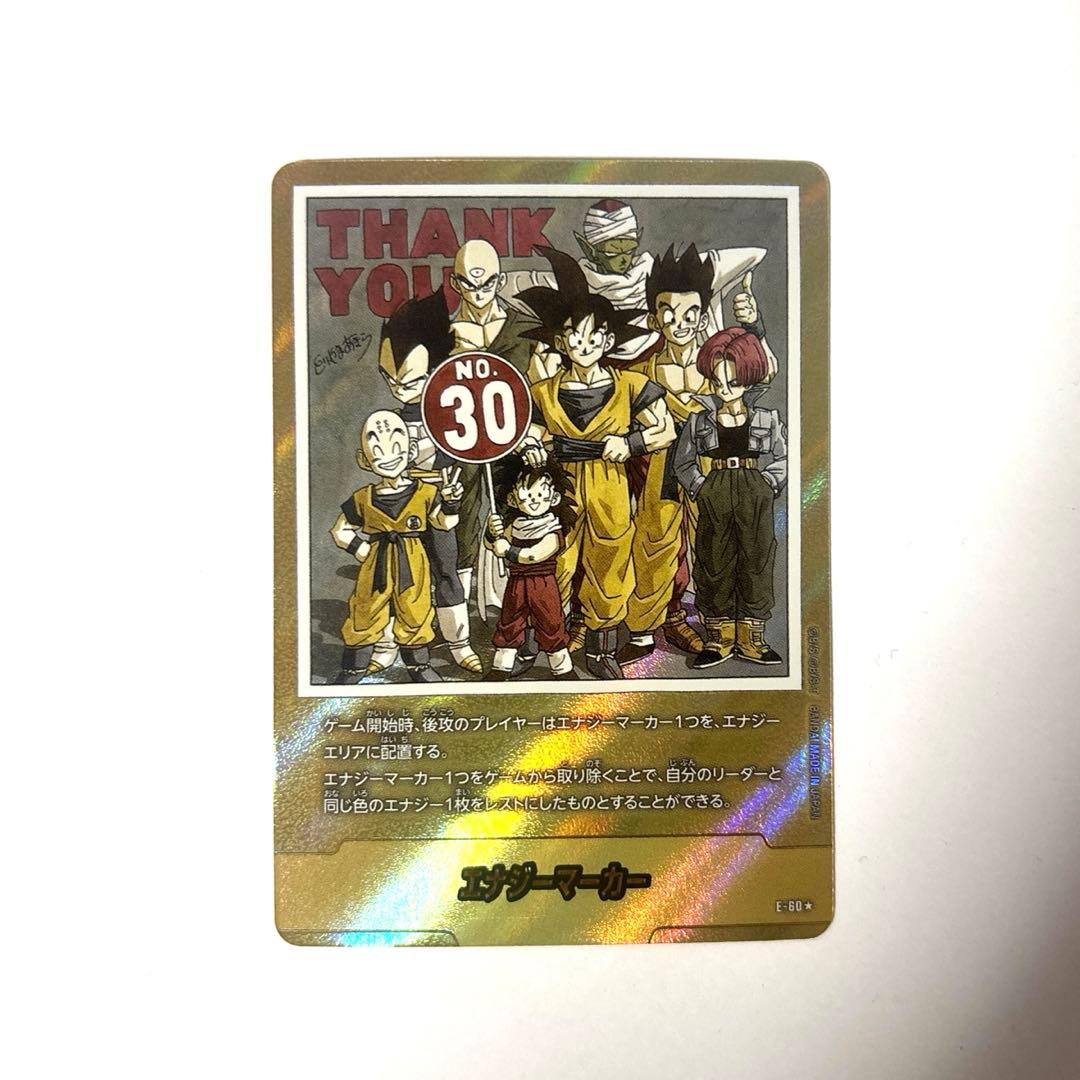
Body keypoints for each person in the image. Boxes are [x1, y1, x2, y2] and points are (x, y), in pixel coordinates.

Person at [515, 247, 674, 679]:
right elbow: (527, 433)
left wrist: (632, 441)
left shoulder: (632, 385)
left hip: (609, 484)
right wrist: (532, 445)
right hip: (558, 488)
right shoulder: (542, 391)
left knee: (610, 561)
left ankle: (601, 650)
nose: (583, 345)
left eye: (593, 337)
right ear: (560, 342)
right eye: (574, 336)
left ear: (608, 341)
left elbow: (665, 430)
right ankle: (542, 643)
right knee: (554, 563)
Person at [621, 244, 778, 664]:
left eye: (691, 313)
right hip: (662, 468)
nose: (681, 323)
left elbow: (763, 371)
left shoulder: (718, 361)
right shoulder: (641, 369)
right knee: (655, 543)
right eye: (669, 313)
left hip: (715, 467)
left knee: (715, 548)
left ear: (703, 314)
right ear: (654, 318)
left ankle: (720, 629)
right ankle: (644, 629)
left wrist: (754, 325)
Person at [501, 199, 766, 364]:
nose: (621, 258)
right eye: (611, 250)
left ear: (637, 239)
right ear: (588, 248)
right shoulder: (569, 282)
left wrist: (753, 323)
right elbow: (505, 284)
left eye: (627, 247)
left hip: (658, 370)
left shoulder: (661, 276)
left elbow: (750, 256)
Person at [373, 290, 482, 674]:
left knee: (445, 570)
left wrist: (451, 491)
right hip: (400, 505)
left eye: (408, 381)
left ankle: (459, 643)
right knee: (393, 574)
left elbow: (469, 451)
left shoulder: (451, 415)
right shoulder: (389, 420)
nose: (397, 388)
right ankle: (387, 643)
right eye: (389, 379)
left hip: (437, 501)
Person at [672, 328, 787, 667]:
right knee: (713, 558)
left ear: (748, 379)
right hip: (716, 489)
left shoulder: (766, 418)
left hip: (754, 489)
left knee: (757, 558)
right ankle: (719, 637)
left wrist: (768, 484)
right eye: (717, 382)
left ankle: (752, 638)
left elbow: (783, 457)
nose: (724, 390)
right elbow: (683, 463)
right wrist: (701, 488)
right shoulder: (699, 421)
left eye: (733, 382)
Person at [329, 410, 464, 683]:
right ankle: (352, 670)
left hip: (413, 564)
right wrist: (364, 552)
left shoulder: (426, 492)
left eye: (395, 447)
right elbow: (339, 530)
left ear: (411, 451)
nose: (387, 456)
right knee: (365, 612)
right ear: (364, 459)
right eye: (377, 450)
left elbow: (444, 522)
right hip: (376, 565)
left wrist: (451, 502)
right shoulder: (363, 498)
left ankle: (420, 667)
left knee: (415, 611)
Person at [484, 458, 578, 680]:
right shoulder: (516, 525)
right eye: (526, 495)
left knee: (551, 623)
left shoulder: (553, 528)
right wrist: (492, 533)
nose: (534, 500)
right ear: (513, 498)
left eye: (540, 494)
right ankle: (501, 667)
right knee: (510, 622)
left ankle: (562, 669)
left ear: (554, 497)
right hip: (517, 584)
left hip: (543, 584)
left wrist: (508, 551)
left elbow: (534, 554)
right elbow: (492, 545)